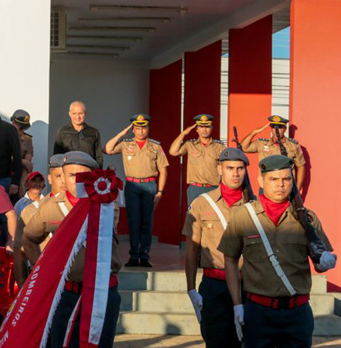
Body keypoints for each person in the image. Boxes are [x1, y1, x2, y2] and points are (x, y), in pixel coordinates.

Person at [218, 154, 336, 348]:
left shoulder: (305, 217)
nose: (281, 185)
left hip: (297, 313)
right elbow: (230, 258)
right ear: (261, 181)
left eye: (286, 179)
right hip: (258, 310)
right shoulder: (244, 216)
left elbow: (322, 252)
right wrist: (237, 304)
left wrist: (326, 259)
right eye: (274, 179)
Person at [45, 151, 122, 348]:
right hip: (65, 296)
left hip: (102, 294)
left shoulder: (108, 203)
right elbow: (28, 238)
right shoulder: (50, 208)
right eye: (67, 175)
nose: (72, 182)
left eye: (80, 176)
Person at [183, 147, 250, 348]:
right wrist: (190, 288)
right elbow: (192, 249)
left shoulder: (255, 205)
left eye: (240, 168)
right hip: (214, 284)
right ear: (219, 169)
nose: (235, 174)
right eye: (230, 168)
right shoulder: (201, 204)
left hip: (248, 286)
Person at [22, 153, 73, 348]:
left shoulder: (88, 204)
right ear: (51, 178)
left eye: (68, 175)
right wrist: (42, 270)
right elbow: (26, 243)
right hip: (49, 291)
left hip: (75, 289)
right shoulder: (41, 209)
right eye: (58, 175)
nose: (63, 180)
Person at [104, 113, 168, 267]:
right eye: (137, 128)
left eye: (143, 127)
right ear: (133, 129)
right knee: (133, 221)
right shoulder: (126, 144)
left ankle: (144, 255)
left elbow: (164, 170)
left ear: (148, 128)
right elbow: (107, 149)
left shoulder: (155, 146)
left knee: (147, 222)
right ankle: (133, 255)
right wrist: (121, 133)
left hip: (149, 185)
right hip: (132, 186)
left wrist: (160, 192)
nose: (141, 131)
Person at [240, 115, 307, 191]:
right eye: (273, 127)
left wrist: (297, 188)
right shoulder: (262, 144)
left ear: (285, 129)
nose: (276, 130)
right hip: (266, 186)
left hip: (286, 187)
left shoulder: (293, 146)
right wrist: (254, 132)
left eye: (279, 127)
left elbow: (301, 166)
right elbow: (243, 147)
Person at [169, 114, 224, 206]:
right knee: (194, 218)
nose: (204, 129)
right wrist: (183, 133)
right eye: (201, 127)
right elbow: (173, 152)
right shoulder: (190, 145)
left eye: (207, 126)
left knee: (213, 218)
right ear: (196, 129)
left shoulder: (219, 146)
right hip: (195, 189)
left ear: (211, 128)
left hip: (213, 188)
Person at [53, 101, 103, 167]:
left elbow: (99, 157)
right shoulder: (62, 132)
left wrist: (97, 173)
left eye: (80, 113)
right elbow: (56, 157)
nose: (77, 116)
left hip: (88, 173)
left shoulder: (94, 132)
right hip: (69, 173)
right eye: (74, 113)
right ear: (69, 114)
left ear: (85, 113)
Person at [11, 109, 34, 194]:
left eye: (24, 127)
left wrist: (21, 183)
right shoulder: (6, 136)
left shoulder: (27, 139)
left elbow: (28, 163)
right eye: (20, 127)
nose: (22, 130)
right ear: (13, 122)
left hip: (22, 175)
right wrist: (22, 161)